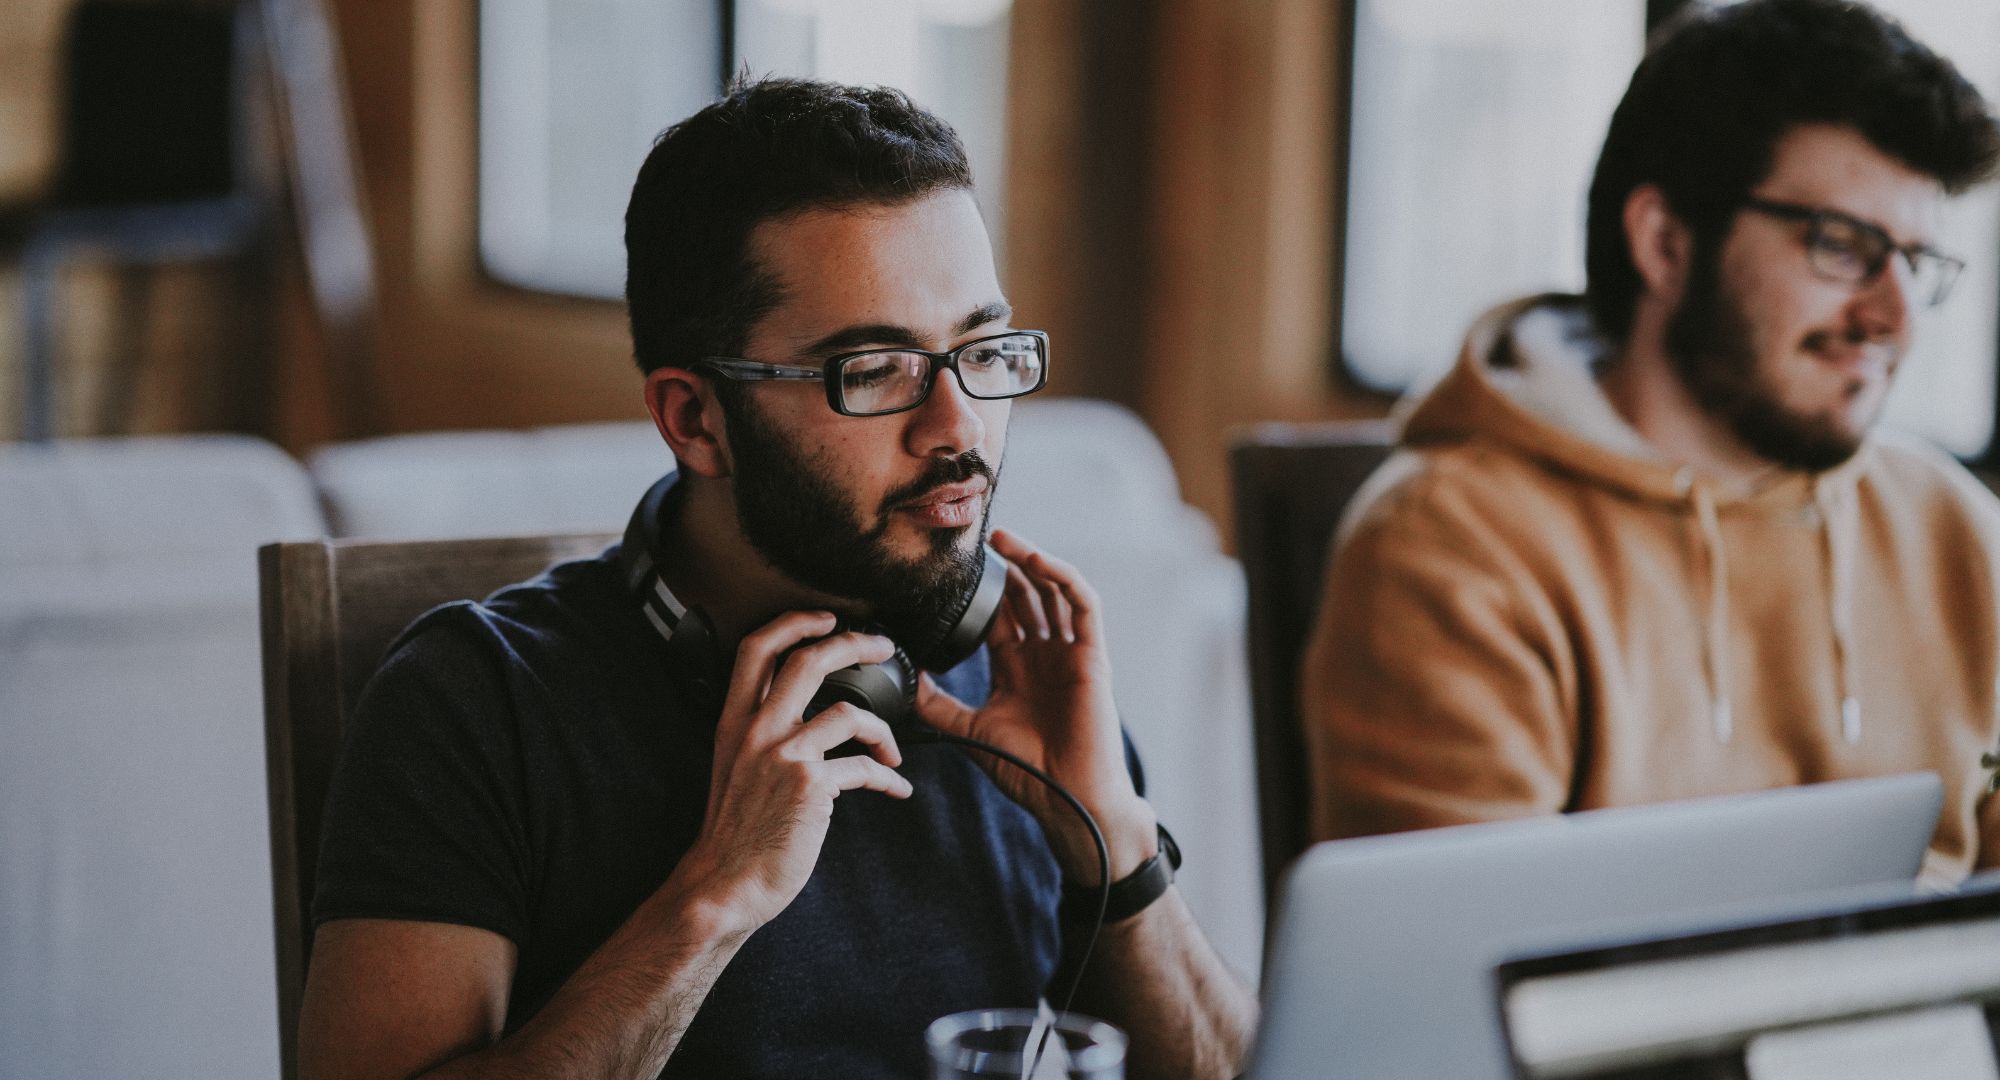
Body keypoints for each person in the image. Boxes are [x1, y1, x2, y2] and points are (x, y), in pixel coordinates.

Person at [296, 78, 1254, 1079]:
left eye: (981, 350)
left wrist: (1114, 841)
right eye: (875, 370)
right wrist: (713, 899)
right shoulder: (478, 701)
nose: (958, 428)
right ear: (695, 420)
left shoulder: (1017, 677)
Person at [1302, 0, 2000, 880]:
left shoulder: (1959, 534)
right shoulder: (1452, 547)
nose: (1893, 316)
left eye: (1916, 262)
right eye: (1842, 245)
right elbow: (1458, 989)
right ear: (1665, 243)